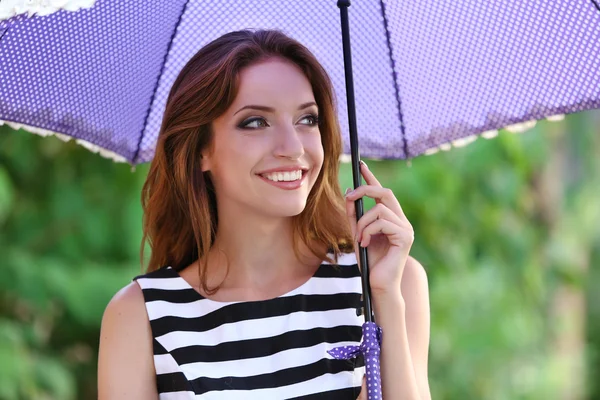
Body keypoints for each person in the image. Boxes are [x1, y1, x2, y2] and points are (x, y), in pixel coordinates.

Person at [97, 29, 431, 400]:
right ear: (201, 150)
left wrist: (384, 295)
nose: (292, 147)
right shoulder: (140, 317)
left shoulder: (388, 282)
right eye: (256, 122)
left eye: (307, 120)